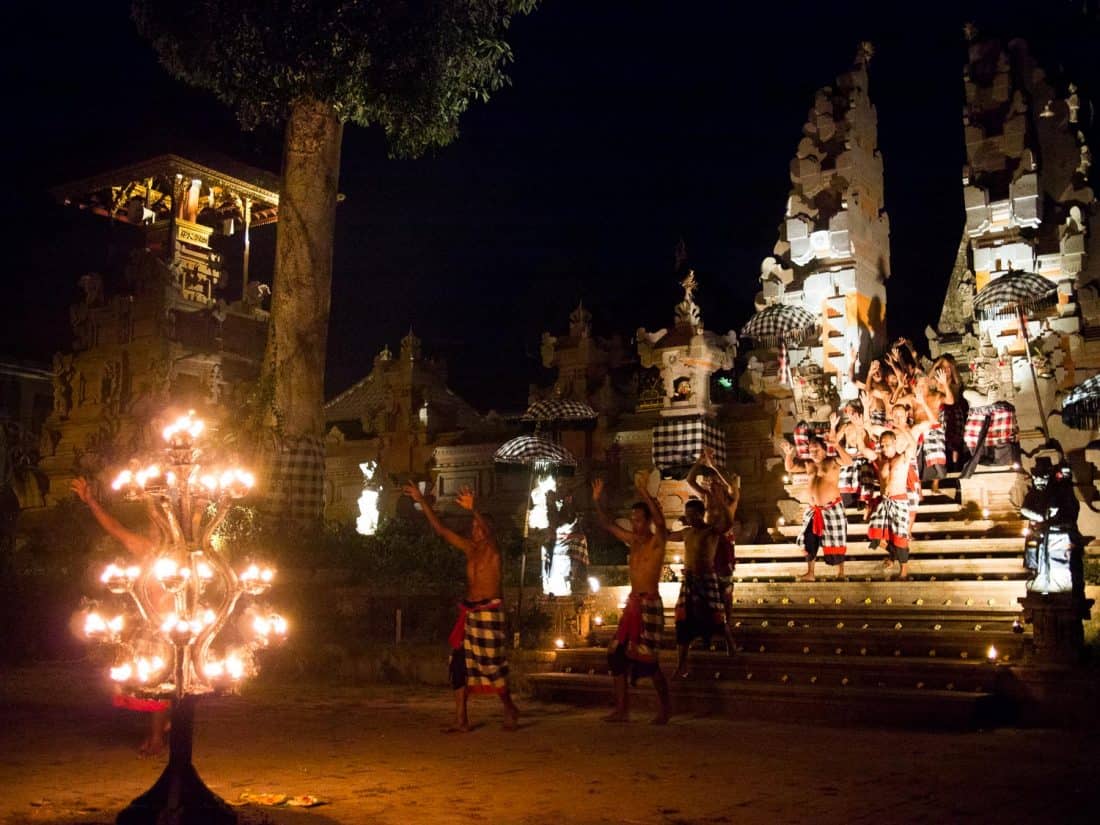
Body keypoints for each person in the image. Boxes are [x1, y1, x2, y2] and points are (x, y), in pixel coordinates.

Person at [403, 482, 519, 732]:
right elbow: (442, 530)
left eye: (479, 527)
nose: (475, 530)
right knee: (457, 663)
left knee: (491, 666)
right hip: (469, 613)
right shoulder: (470, 549)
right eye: (473, 527)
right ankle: (461, 719)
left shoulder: (493, 551)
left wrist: (474, 509)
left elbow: (488, 533)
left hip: (489, 612)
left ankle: (509, 708)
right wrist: (422, 501)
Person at [71, 477, 170, 757]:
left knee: (161, 684)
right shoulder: (143, 548)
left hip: (174, 625)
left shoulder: (182, 553)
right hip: (148, 623)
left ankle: (157, 738)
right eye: (151, 523)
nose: (154, 527)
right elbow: (114, 528)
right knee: (147, 682)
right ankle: (159, 730)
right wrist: (90, 500)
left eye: (159, 523)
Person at [591, 473, 671, 724]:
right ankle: (622, 709)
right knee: (615, 654)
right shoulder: (633, 541)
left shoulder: (657, 542)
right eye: (633, 520)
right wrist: (597, 500)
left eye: (639, 520)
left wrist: (644, 491)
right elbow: (608, 524)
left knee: (649, 662)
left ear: (647, 521)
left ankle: (665, 709)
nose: (635, 524)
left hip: (649, 605)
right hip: (633, 604)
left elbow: (661, 523)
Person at [686, 448, 739, 655]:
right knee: (705, 595)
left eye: (716, 482)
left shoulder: (730, 501)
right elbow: (690, 481)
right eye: (710, 482)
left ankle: (727, 629)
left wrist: (714, 465)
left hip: (723, 547)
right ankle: (706, 633)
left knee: (725, 592)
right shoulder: (705, 498)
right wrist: (699, 463)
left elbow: (732, 485)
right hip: (708, 547)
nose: (712, 484)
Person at [780, 433, 852, 581]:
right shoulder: (808, 464)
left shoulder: (833, 461)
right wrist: (789, 454)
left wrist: (837, 445)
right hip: (814, 510)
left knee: (836, 539)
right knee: (809, 539)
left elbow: (849, 461)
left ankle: (840, 573)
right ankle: (810, 573)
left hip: (832, 508)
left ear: (825, 449)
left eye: (817, 449)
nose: (813, 453)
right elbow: (791, 467)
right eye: (811, 450)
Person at [668, 498, 725, 677]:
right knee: (682, 621)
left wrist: (723, 500)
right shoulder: (686, 532)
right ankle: (681, 663)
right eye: (688, 516)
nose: (690, 519)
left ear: (701, 514)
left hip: (707, 580)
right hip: (689, 581)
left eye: (693, 515)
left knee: (714, 617)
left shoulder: (711, 532)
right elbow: (665, 535)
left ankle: (728, 644)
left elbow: (727, 522)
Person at [867, 431, 918, 580]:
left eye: (887, 444)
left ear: (895, 443)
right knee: (876, 535)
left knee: (900, 537)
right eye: (882, 445)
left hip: (899, 501)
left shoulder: (903, 457)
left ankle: (904, 570)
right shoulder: (881, 460)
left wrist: (903, 428)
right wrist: (859, 429)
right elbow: (863, 449)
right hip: (884, 502)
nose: (884, 448)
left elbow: (913, 445)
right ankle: (893, 554)